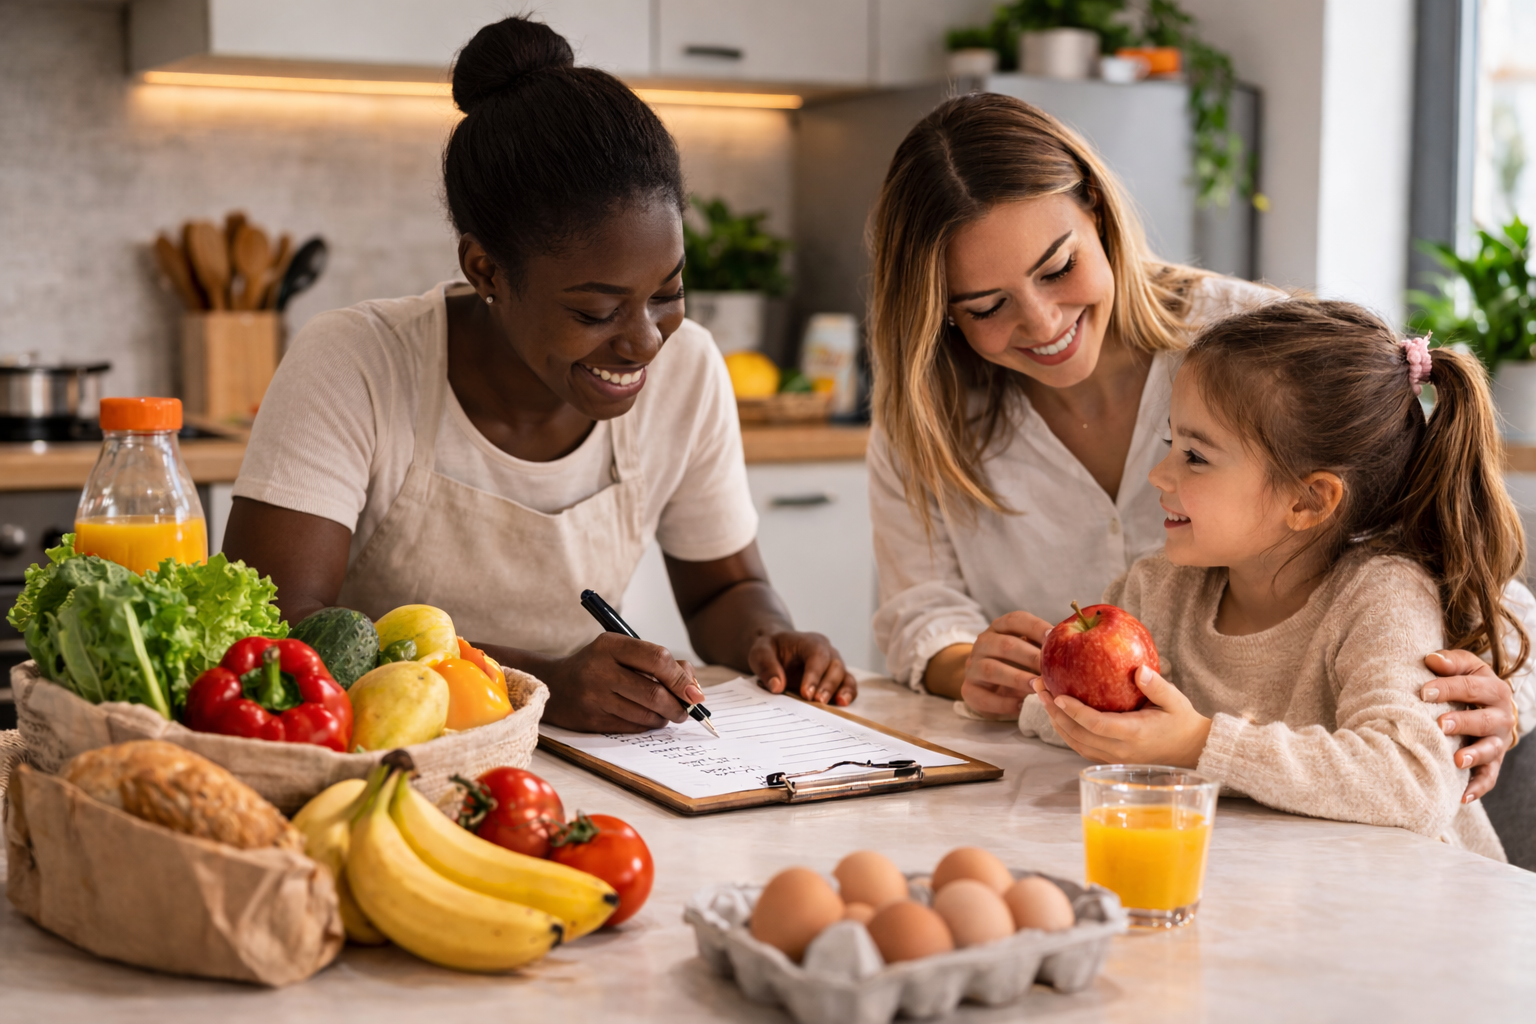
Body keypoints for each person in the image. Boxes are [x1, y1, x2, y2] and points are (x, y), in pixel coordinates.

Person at [865, 92, 1529, 802]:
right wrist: (969, 665)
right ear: (941, 314)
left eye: (1058, 269)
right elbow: (921, 608)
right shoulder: (931, 414)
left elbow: (1445, 550)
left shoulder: (1245, 349)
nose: (1042, 320)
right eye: (987, 307)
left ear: (1095, 208)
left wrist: (1501, 684)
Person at [222, 16, 854, 733]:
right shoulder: (356, 364)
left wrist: (765, 636)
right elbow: (278, 629)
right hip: (380, 765)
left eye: (669, 293)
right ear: (485, 269)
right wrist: (539, 683)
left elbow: (724, 591)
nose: (645, 341)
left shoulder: (689, 371)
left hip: (586, 772)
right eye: (596, 311)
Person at [1021, 301, 1523, 860]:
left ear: (1308, 500)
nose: (1158, 475)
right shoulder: (1157, 588)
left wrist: (1197, 745)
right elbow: (1056, 710)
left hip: (1411, 911)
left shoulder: (1381, 596)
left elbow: (1414, 784)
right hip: (1263, 885)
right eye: (1170, 445)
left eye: (1195, 456)